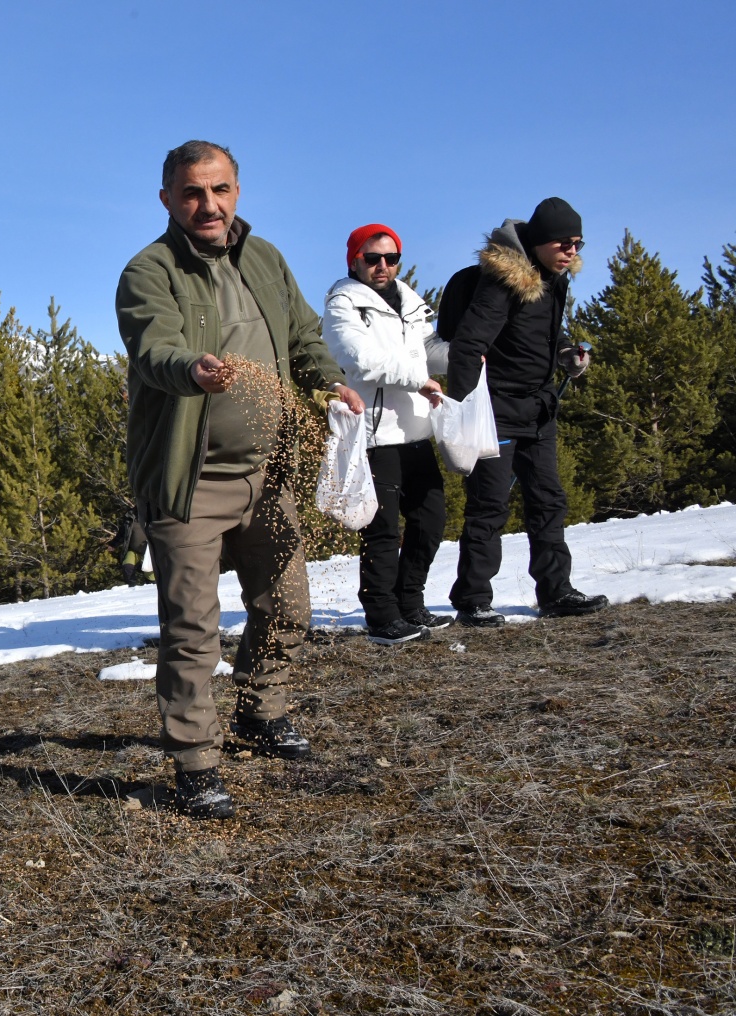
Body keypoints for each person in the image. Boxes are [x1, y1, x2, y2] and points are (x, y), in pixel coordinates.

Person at [115, 140, 363, 820]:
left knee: (288, 607)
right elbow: (154, 346)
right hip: (188, 481)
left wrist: (327, 382)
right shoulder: (149, 271)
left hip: (271, 472)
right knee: (193, 628)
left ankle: (261, 710)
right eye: (193, 192)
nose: (209, 204)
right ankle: (195, 763)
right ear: (167, 198)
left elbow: (304, 335)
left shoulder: (265, 258)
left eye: (220, 189)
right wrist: (191, 369)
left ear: (238, 191)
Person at [446, 198, 607, 626]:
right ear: (538, 241)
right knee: (489, 506)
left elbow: (532, 340)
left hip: (538, 409)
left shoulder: (554, 278)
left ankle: (555, 592)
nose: (572, 250)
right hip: (496, 410)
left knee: (548, 501)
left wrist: (567, 355)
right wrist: (464, 412)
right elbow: (468, 345)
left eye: (578, 242)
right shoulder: (503, 282)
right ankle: (473, 599)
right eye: (563, 242)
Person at [323, 224, 452, 644]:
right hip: (376, 434)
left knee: (430, 519)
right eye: (372, 258)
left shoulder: (409, 299)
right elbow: (360, 360)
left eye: (391, 258)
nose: (383, 266)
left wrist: (468, 356)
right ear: (354, 260)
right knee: (381, 531)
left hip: (415, 428)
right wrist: (420, 380)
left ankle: (410, 602)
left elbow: (429, 349)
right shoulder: (343, 303)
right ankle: (381, 616)